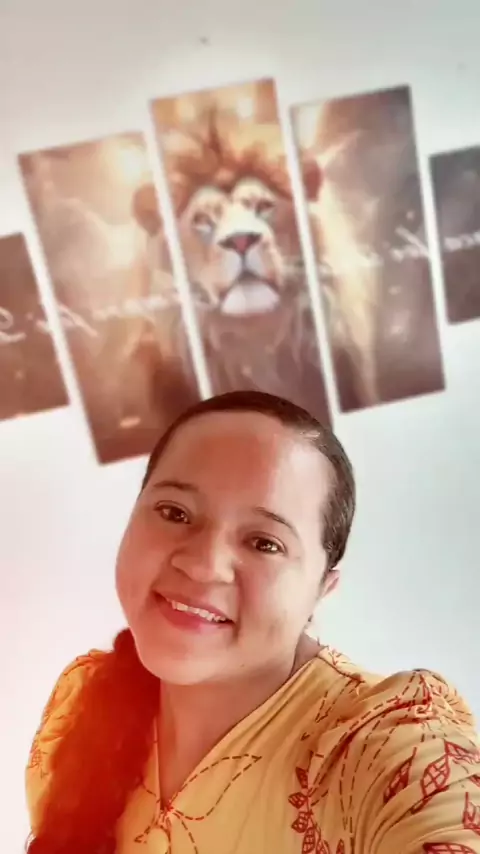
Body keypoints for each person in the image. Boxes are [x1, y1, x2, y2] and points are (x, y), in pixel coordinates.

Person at [25, 390, 480, 854]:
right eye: (175, 513)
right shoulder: (82, 708)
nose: (203, 566)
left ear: (322, 588)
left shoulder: (383, 743)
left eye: (265, 543)